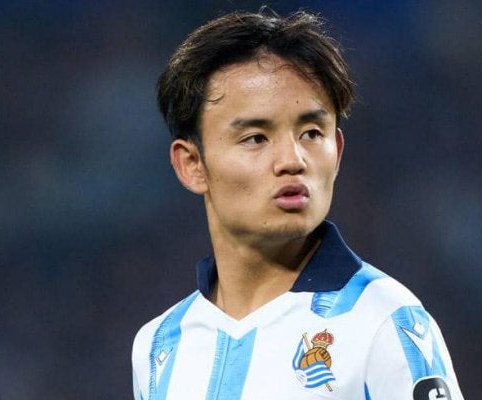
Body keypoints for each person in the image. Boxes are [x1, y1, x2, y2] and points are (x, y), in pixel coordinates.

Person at [132, 9, 464, 400]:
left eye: (311, 133)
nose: (293, 160)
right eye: (256, 138)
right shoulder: (158, 346)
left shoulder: (385, 322)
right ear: (192, 164)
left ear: (337, 152)